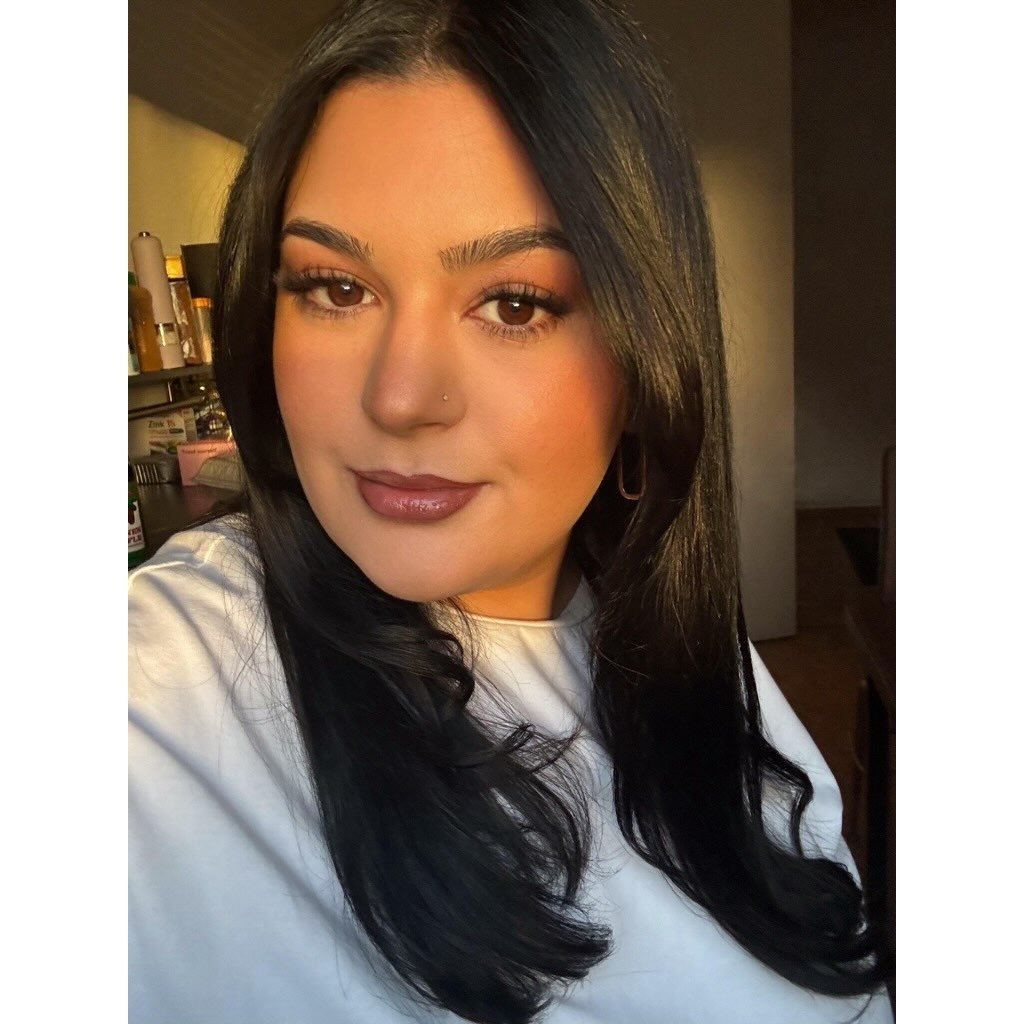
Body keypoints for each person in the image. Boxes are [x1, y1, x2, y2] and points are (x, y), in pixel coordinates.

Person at [128, 1, 894, 1021]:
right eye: (335, 288)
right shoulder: (164, 691)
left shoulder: (695, 661)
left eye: (515, 303)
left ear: (645, 356)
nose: (402, 397)